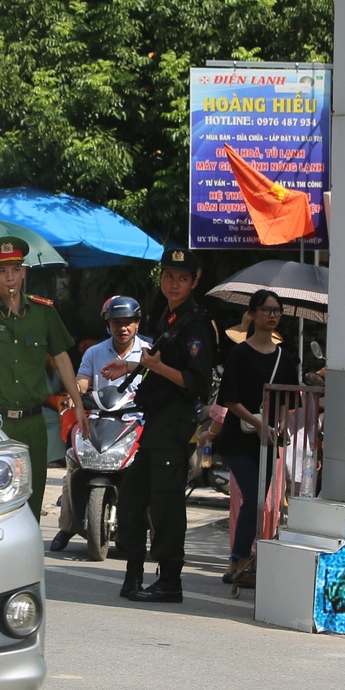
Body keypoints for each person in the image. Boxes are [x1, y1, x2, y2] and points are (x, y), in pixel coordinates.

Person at [0, 236, 82, 525]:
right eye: (1, 271)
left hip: (33, 422)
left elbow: (61, 358)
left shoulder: (43, 312)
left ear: (24, 272)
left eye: (15, 270)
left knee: (31, 501)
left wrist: (80, 405)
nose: (9, 278)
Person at [117, 246, 218, 603]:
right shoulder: (170, 317)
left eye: (183, 278)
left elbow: (198, 382)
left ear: (194, 281)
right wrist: (132, 367)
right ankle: (132, 573)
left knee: (166, 503)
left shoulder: (195, 324)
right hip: (156, 421)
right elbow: (158, 360)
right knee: (131, 496)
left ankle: (170, 580)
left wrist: (157, 369)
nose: (174, 284)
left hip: (174, 422)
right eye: (169, 277)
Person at [216, 288, 303, 587]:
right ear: (252, 313)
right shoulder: (239, 353)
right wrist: (258, 423)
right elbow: (229, 399)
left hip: (266, 442)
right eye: (266, 310)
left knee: (259, 503)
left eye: (277, 310)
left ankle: (241, 563)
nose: (273, 315)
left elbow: (287, 403)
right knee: (252, 497)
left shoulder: (285, 359)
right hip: (237, 439)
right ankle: (238, 560)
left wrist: (276, 428)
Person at [51, 295, 148, 554]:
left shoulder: (149, 351)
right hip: (99, 419)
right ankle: (67, 525)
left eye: (128, 322)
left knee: (149, 469)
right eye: (117, 322)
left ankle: (150, 525)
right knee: (73, 460)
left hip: (136, 421)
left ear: (138, 323)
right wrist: (75, 395)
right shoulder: (94, 352)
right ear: (108, 323)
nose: (123, 328)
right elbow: (82, 381)